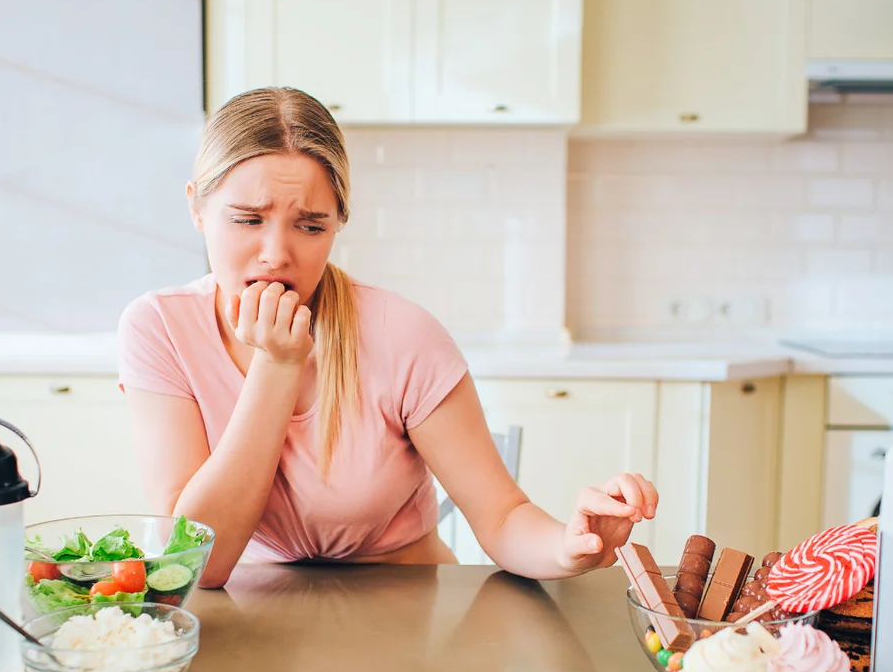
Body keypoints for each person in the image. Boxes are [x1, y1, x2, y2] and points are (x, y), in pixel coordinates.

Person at [118, 87, 658, 588]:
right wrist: (277, 366)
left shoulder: (402, 334)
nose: (276, 253)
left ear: (337, 225)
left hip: (414, 613)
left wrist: (569, 546)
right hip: (254, 618)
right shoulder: (160, 329)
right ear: (196, 207)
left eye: (310, 226)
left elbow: (501, 516)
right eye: (246, 219)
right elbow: (196, 566)